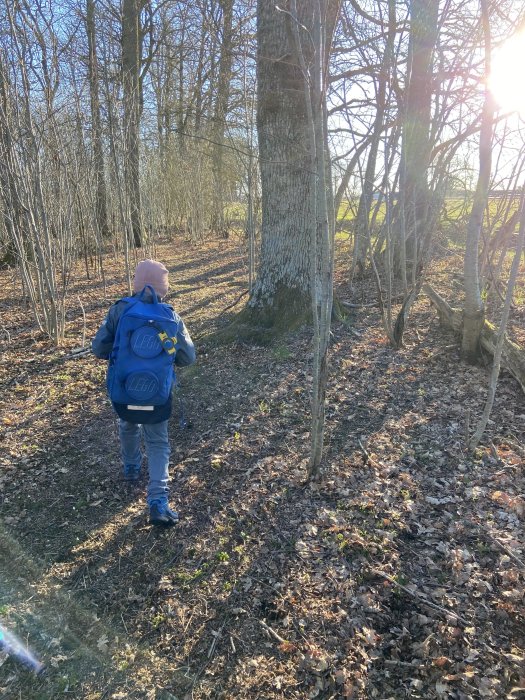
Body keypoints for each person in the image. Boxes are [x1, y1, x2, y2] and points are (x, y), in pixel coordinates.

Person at [92, 259, 196, 527]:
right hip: (157, 396)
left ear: (136, 283)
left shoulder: (119, 310)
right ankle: (158, 501)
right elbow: (188, 357)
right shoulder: (171, 316)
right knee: (158, 441)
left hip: (124, 393)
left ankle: (131, 468)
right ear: (164, 288)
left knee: (127, 424)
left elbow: (99, 348)